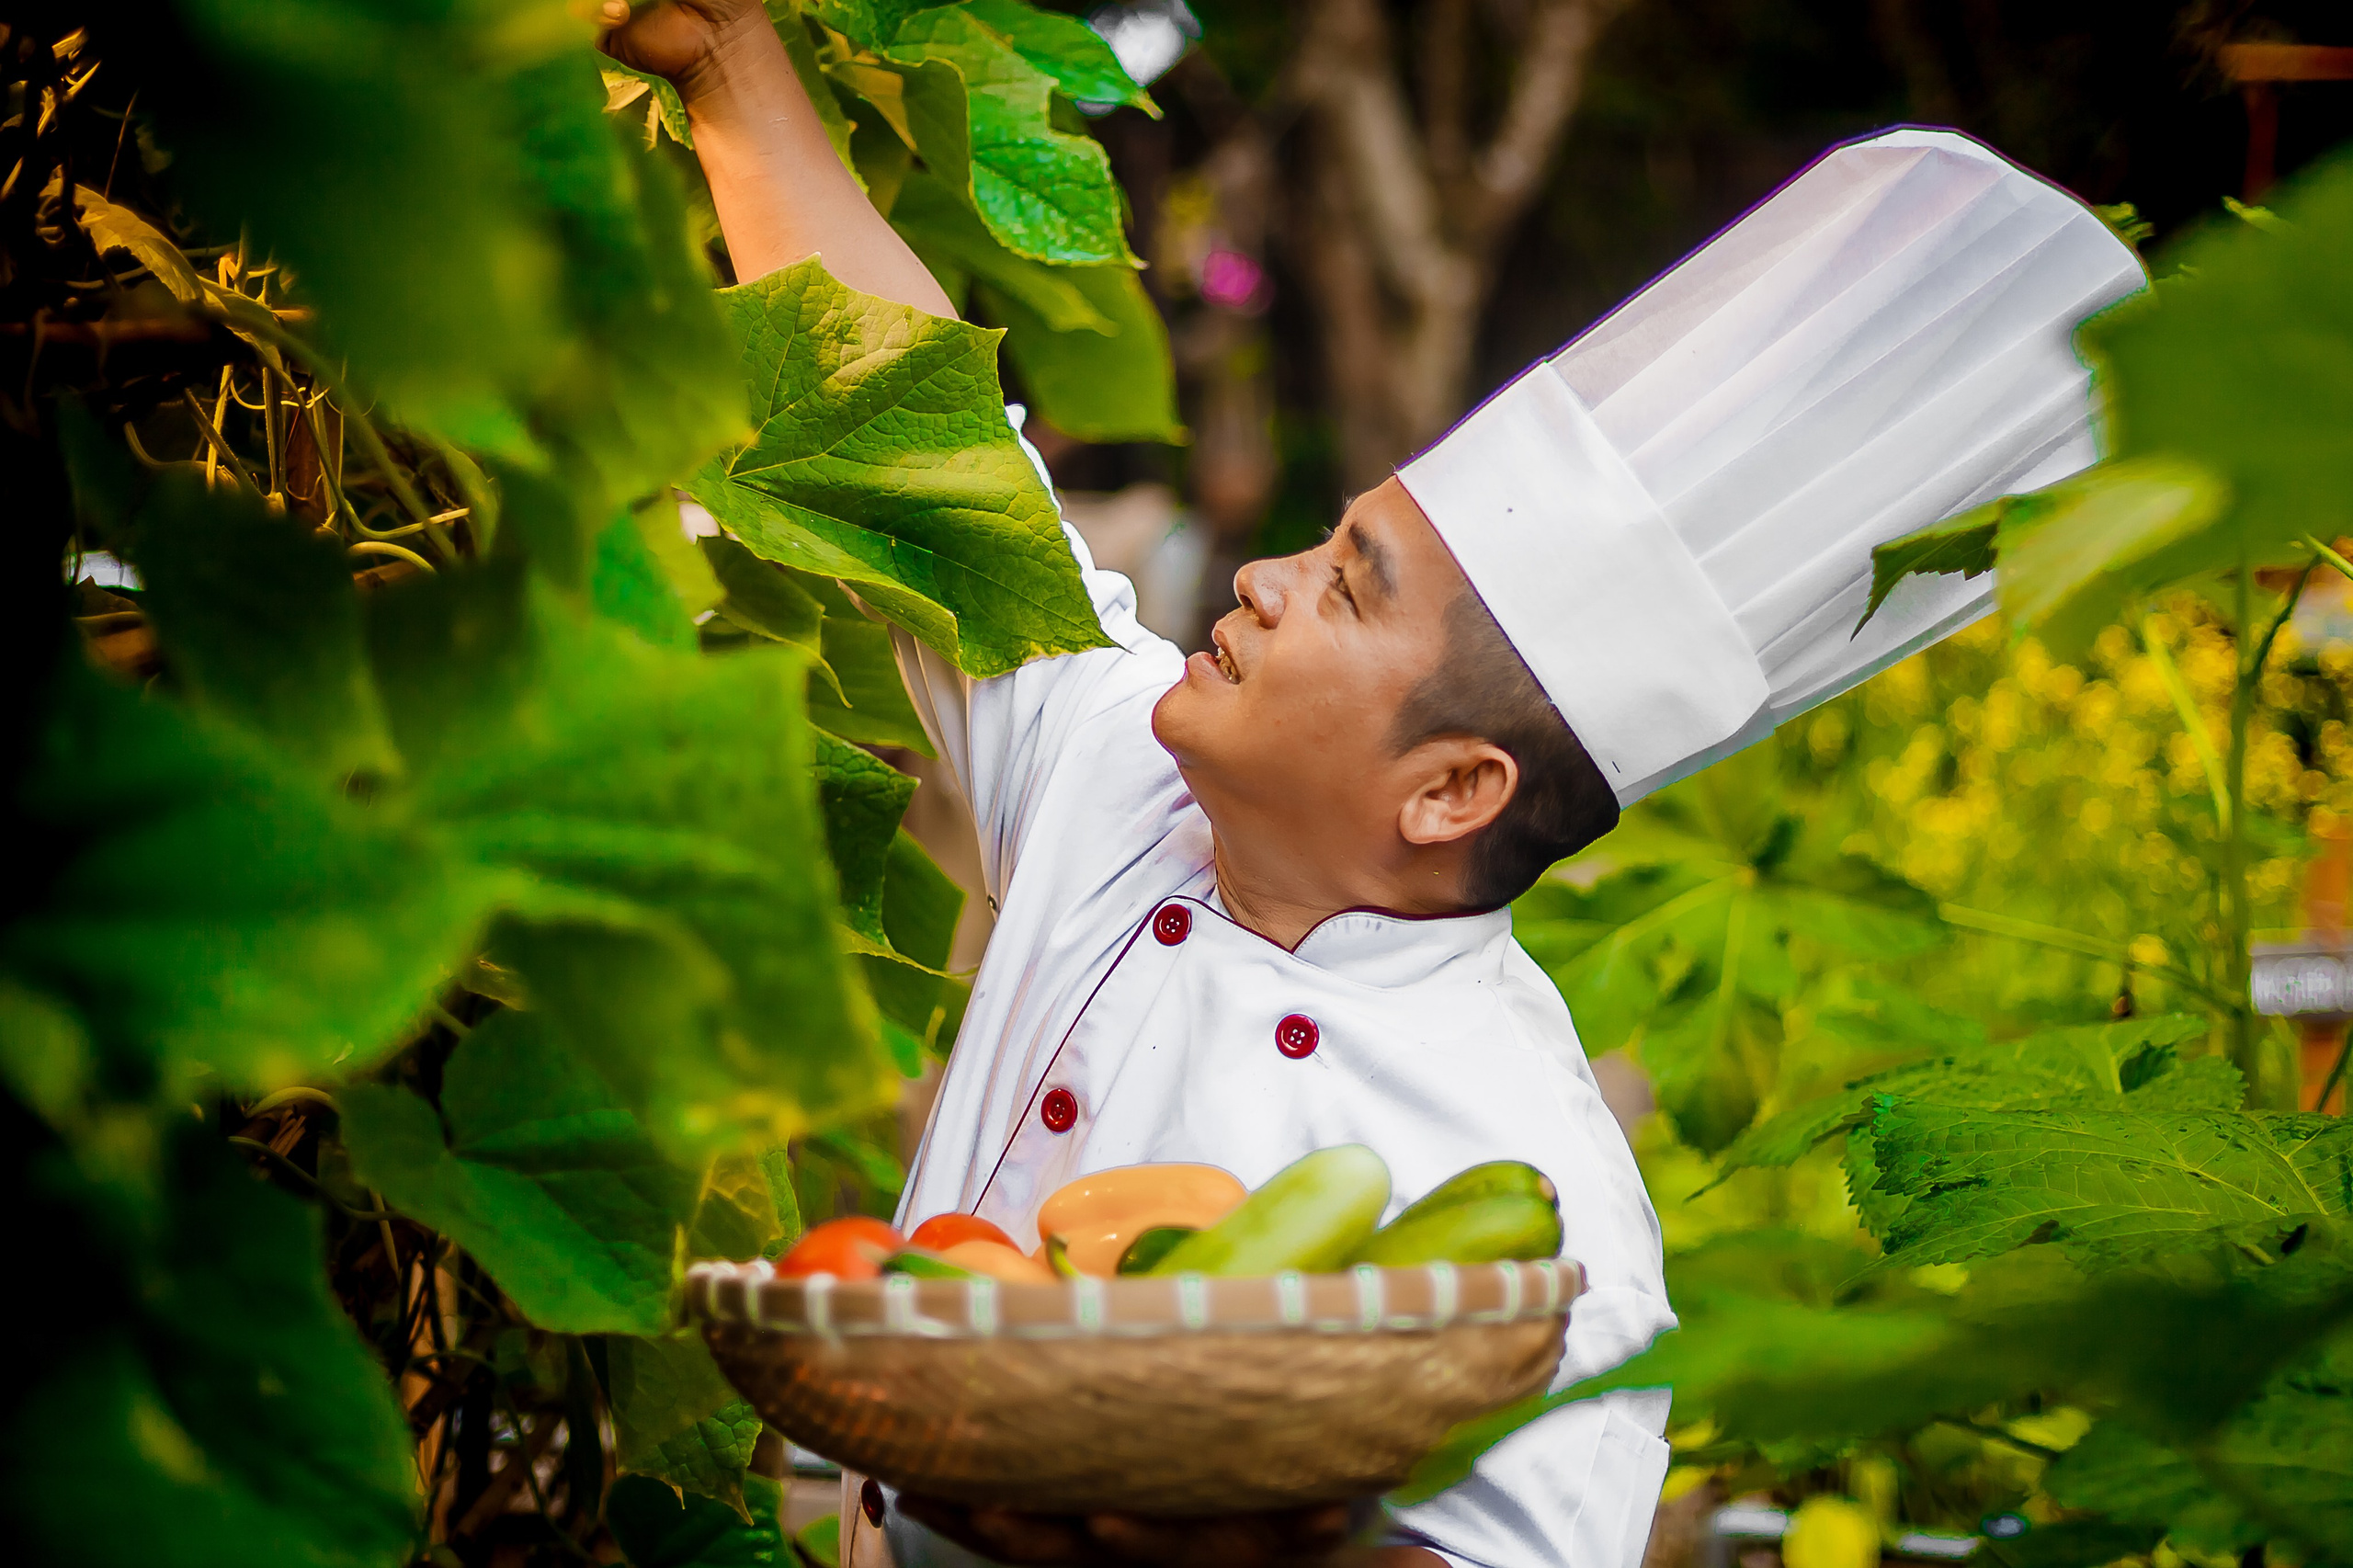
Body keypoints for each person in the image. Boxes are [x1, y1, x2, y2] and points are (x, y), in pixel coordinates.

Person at [602, 5, 2147, 1565]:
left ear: (1451, 791)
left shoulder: (1541, 1211)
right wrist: (725, 51)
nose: (1266, 577)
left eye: (1347, 588)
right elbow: (915, 435)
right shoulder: (1122, 776)